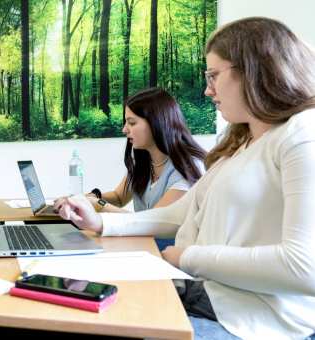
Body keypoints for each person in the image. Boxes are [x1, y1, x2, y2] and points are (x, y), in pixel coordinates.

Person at [55, 17, 315, 339]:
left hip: (252, 322)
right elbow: (178, 214)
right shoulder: (241, 144)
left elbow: (306, 268)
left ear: (254, 70)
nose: (208, 90)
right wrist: (100, 223)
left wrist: (188, 257)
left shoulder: (302, 133)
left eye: (213, 76)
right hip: (205, 295)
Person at [74, 87, 206, 250]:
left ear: (157, 122)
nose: (124, 129)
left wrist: (98, 204)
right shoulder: (144, 158)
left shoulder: (188, 167)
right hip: (144, 246)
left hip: (170, 254)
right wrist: (86, 199)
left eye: (132, 122)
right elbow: (119, 196)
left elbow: (151, 223)